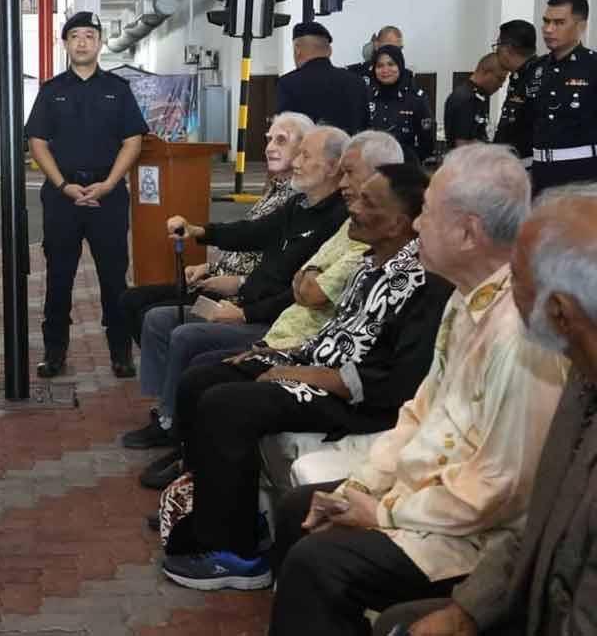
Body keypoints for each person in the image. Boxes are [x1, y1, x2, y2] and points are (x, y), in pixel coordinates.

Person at [260, 144, 568, 634]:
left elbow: (499, 490)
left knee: (319, 562)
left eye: (426, 212)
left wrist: (382, 511)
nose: (417, 225)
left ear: (468, 232)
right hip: (426, 500)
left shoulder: (520, 334)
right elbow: (420, 413)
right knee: (299, 508)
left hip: (474, 537)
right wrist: (361, 486)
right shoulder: (465, 299)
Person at [161, 163, 454, 591]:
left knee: (228, 404)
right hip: (321, 371)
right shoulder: (371, 264)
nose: (352, 206)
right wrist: (274, 354)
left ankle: (237, 555)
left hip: (357, 403)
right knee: (204, 377)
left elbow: (393, 384)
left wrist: (299, 372)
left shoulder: (424, 282)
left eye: (369, 202)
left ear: (402, 223)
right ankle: (211, 507)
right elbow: (333, 335)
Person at [373, 189, 597, 636]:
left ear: (558, 312)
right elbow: (538, 524)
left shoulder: (545, 362)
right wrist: (467, 613)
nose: (502, 294)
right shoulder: (581, 378)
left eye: (514, 278)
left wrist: (387, 510)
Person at [130, 131, 398, 495]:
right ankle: (174, 427)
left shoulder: (349, 224)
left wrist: (249, 312)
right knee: (156, 317)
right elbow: (269, 249)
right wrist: (202, 235)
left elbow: (310, 293)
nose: (291, 159)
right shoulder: (304, 206)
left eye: (301, 151)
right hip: (278, 323)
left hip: (281, 328)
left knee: (193, 351)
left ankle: (185, 448)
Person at [118, 111, 314, 352]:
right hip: (214, 281)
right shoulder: (277, 188)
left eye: (281, 140)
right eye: (269, 139)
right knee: (132, 300)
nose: (269, 148)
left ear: (306, 149)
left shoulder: (301, 198)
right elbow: (246, 235)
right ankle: (171, 366)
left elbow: (257, 243)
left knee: (154, 315)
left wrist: (238, 282)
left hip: (232, 297)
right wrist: (208, 266)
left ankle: (178, 368)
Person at [25, 11, 149, 379]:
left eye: (89, 36)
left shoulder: (118, 89)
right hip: (62, 196)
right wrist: (64, 185)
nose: (82, 42)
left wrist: (109, 183)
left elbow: (133, 140)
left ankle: (121, 353)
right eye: (75, 35)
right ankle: (55, 353)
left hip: (108, 195)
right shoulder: (51, 92)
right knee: (58, 277)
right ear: (65, 43)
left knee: (114, 278)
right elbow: (37, 142)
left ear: (99, 43)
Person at [528, 0, 597, 192]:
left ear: (581, 26)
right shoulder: (537, 68)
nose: (549, 30)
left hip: (582, 176)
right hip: (540, 174)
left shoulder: (593, 67)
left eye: (559, 23)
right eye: (546, 22)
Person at [276, 22, 370, 134]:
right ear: (330, 51)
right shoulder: (356, 82)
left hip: (307, 151)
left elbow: (285, 131)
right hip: (348, 150)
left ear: (297, 50)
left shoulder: (288, 84)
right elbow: (364, 129)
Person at [369, 44, 436, 162]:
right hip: (371, 166)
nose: (385, 70)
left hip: (405, 167)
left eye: (391, 64)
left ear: (400, 65)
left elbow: (427, 141)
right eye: (380, 66)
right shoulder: (367, 96)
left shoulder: (416, 98)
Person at [493, 19, 541, 168]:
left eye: (497, 46)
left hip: (529, 169)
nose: (496, 51)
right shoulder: (519, 77)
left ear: (508, 48)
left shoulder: (539, 77)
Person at [444, 53, 508, 149]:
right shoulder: (467, 99)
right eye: (499, 79)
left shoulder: (475, 96)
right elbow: (463, 145)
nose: (501, 85)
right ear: (486, 73)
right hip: (466, 162)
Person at [348, 25, 412, 91]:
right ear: (376, 45)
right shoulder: (357, 73)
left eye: (398, 49)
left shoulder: (407, 76)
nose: (393, 53)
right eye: (388, 48)